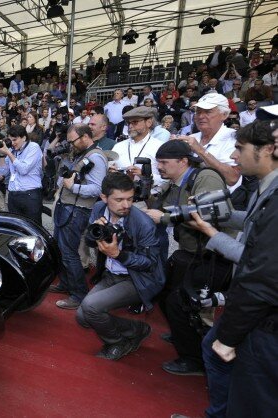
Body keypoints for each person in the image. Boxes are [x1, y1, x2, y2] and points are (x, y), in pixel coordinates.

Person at [183, 119, 278, 418]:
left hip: (262, 319)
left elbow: (258, 268)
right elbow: (250, 221)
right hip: (254, 313)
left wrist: (211, 233)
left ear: (269, 150)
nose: (234, 157)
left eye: (239, 149)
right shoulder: (265, 186)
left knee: (254, 397)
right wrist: (215, 212)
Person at [143, 140, 233, 376]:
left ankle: (194, 359)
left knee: (181, 302)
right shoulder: (174, 183)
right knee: (164, 293)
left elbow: (209, 218)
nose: (159, 167)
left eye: (164, 162)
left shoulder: (205, 178)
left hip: (213, 255)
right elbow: (157, 208)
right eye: (158, 162)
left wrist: (163, 217)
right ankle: (184, 334)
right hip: (190, 252)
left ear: (183, 161)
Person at [76, 172, 165, 360]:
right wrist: (94, 235)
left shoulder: (143, 223)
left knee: (91, 307)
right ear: (104, 197)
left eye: (130, 199)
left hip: (137, 279)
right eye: (119, 199)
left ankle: (117, 342)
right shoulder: (99, 208)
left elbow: (150, 263)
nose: (126, 205)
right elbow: (90, 241)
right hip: (110, 274)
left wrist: (118, 254)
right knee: (82, 317)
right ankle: (136, 329)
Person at [50, 123, 108, 309]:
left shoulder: (96, 157)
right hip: (67, 207)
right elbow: (63, 179)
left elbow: (98, 188)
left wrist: (72, 187)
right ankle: (66, 284)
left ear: (84, 137)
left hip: (77, 210)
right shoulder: (80, 155)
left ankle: (78, 294)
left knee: (69, 253)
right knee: (60, 250)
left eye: (72, 141)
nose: (70, 144)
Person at [0, 125, 43, 225]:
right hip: (13, 195)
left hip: (30, 195)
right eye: (10, 140)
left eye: (15, 140)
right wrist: (2, 155)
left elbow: (23, 169)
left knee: (33, 228)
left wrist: (8, 153)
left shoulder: (33, 147)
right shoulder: (11, 151)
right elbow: (3, 172)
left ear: (24, 138)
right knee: (16, 228)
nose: (12, 143)